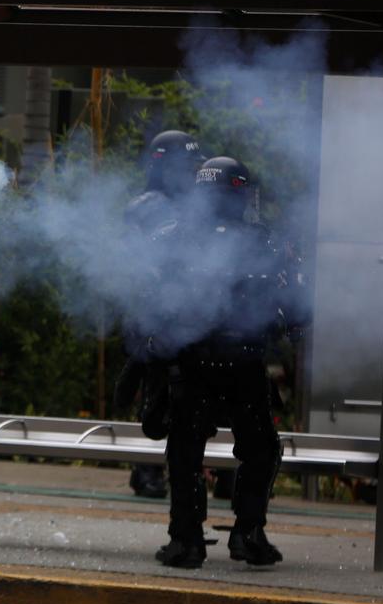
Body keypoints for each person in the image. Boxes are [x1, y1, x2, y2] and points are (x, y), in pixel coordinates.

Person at [144, 156, 292, 569]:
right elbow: (297, 307)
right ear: (241, 193)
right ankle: (248, 534)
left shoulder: (169, 237)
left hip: (192, 365)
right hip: (244, 366)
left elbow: (145, 301)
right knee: (261, 450)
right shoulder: (265, 242)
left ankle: (186, 540)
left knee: (186, 452)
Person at [119, 130, 205, 499]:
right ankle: (148, 469)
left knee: (197, 397)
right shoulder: (148, 206)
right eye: (184, 166)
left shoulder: (192, 206)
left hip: (187, 316)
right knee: (158, 398)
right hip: (152, 317)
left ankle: (211, 471)